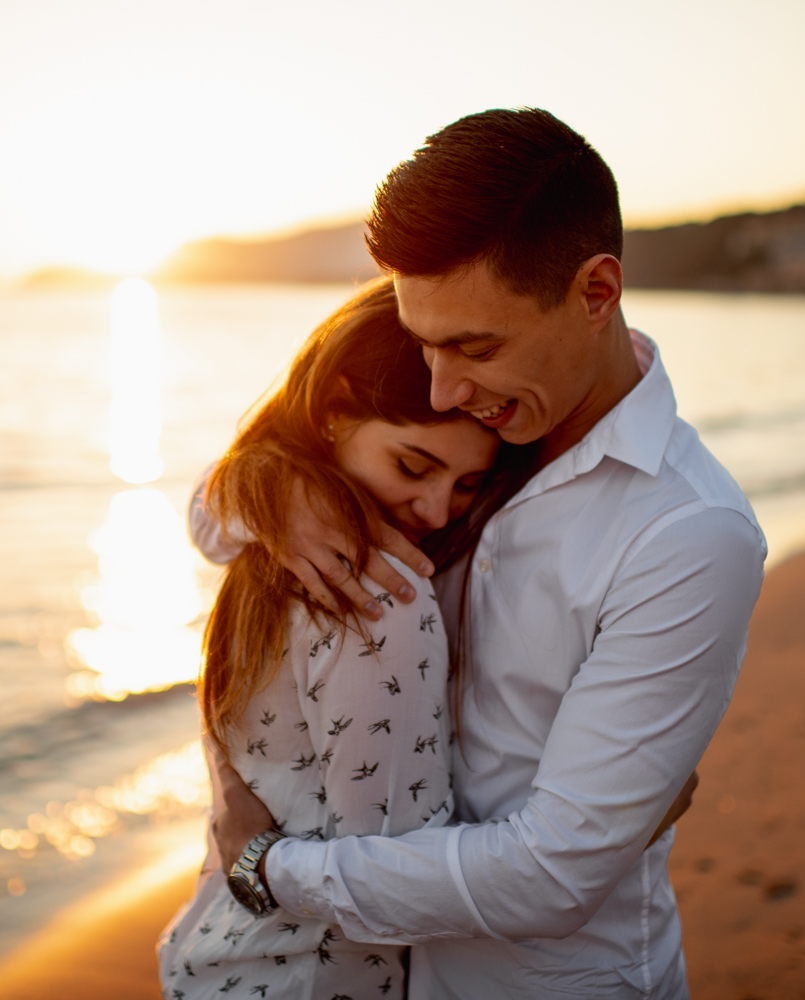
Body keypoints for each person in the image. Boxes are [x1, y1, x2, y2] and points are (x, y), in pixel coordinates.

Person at [191, 108, 766, 998]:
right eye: (425, 345)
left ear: (597, 292)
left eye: (475, 348)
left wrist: (267, 867)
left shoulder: (689, 534)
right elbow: (212, 518)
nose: (443, 386)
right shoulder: (467, 427)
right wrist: (277, 487)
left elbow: (553, 873)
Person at [158, 280, 526, 998]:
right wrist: (611, 826)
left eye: (467, 484)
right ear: (331, 414)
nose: (435, 508)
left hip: (222, 959)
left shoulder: (269, 545)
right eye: (413, 466)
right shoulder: (375, 592)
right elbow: (394, 880)